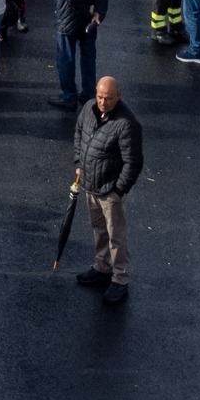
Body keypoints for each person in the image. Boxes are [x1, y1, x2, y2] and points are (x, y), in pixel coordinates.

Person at [71, 75, 143, 305]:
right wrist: (79, 164)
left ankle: (120, 278)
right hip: (90, 185)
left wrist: (118, 190)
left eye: (108, 99)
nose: (102, 102)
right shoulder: (88, 109)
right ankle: (102, 266)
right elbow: (79, 134)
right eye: (100, 97)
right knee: (99, 229)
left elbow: (133, 162)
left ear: (118, 97)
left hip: (109, 191)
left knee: (116, 236)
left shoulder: (126, 123)